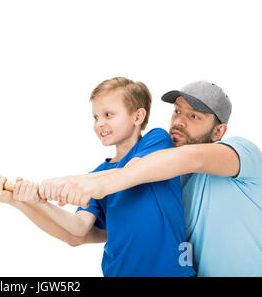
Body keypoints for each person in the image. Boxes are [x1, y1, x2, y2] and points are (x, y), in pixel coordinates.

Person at [0, 77, 195, 277]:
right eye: (96, 117)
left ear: (138, 116)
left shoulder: (157, 141)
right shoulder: (95, 176)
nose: (99, 124)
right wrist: (33, 201)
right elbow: (78, 228)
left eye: (108, 115)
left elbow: (127, 174)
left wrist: (63, 183)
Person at [49, 80, 262, 276]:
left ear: (219, 131)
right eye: (177, 111)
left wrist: (94, 183)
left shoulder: (243, 151)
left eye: (194, 116)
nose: (178, 121)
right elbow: (104, 231)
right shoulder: (169, 180)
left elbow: (194, 157)